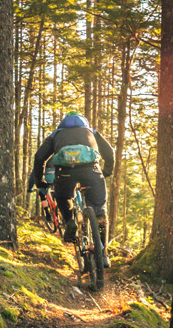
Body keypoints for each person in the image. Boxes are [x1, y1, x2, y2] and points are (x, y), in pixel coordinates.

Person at [33, 111, 114, 267]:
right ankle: (103, 254)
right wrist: (107, 172)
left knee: (63, 197)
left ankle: (70, 221)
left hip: (65, 172)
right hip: (91, 170)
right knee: (101, 212)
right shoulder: (91, 132)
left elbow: (39, 157)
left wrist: (40, 181)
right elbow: (109, 152)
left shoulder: (56, 134)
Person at [27, 157, 55, 222]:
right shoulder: (56, 156)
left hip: (46, 179)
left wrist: (30, 187)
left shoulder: (40, 159)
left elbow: (32, 177)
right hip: (56, 178)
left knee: (41, 194)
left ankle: (48, 215)